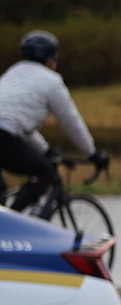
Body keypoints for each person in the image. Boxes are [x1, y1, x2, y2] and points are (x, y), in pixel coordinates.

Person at [0, 31, 104, 213]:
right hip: (4, 135)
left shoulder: (12, 73)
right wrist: (91, 152)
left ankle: (6, 222)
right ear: (50, 60)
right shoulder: (51, 81)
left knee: (1, 192)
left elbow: (21, 126)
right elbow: (70, 121)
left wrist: (45, 150)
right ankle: (11, 224)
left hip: (6, 132)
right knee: (44, 173)